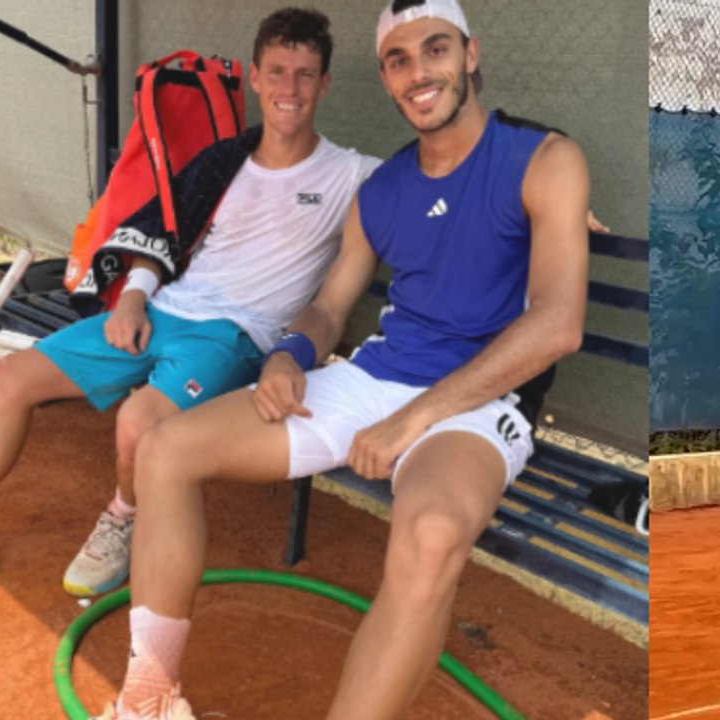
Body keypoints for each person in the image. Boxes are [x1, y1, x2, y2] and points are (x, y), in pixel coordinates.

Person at [97, 0, 591, 717]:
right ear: (386, 79)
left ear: (471, 55)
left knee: (427, 538)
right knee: (166, 449)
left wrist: (413, 419)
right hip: (372, 381)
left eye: (436, 49)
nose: (419, 72)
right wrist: (289, 357)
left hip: (482, 405)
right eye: (399, 59)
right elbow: (329, 308)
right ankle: (149, 696)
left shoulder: (544, 158)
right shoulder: (380, 189)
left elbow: (556, 325)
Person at [0, 8, 381, 599]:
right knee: (10, 377)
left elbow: (445, 174)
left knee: (137, 421)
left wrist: (542, 188)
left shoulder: (352, 173)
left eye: (305, 75)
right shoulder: (223, 159)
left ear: (325, 84)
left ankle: (123, 517)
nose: (290, 89)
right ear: (254, 78)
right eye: (277, 72)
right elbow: (161, 238)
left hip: (234, 336)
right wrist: (130, 299)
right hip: (161, 311)